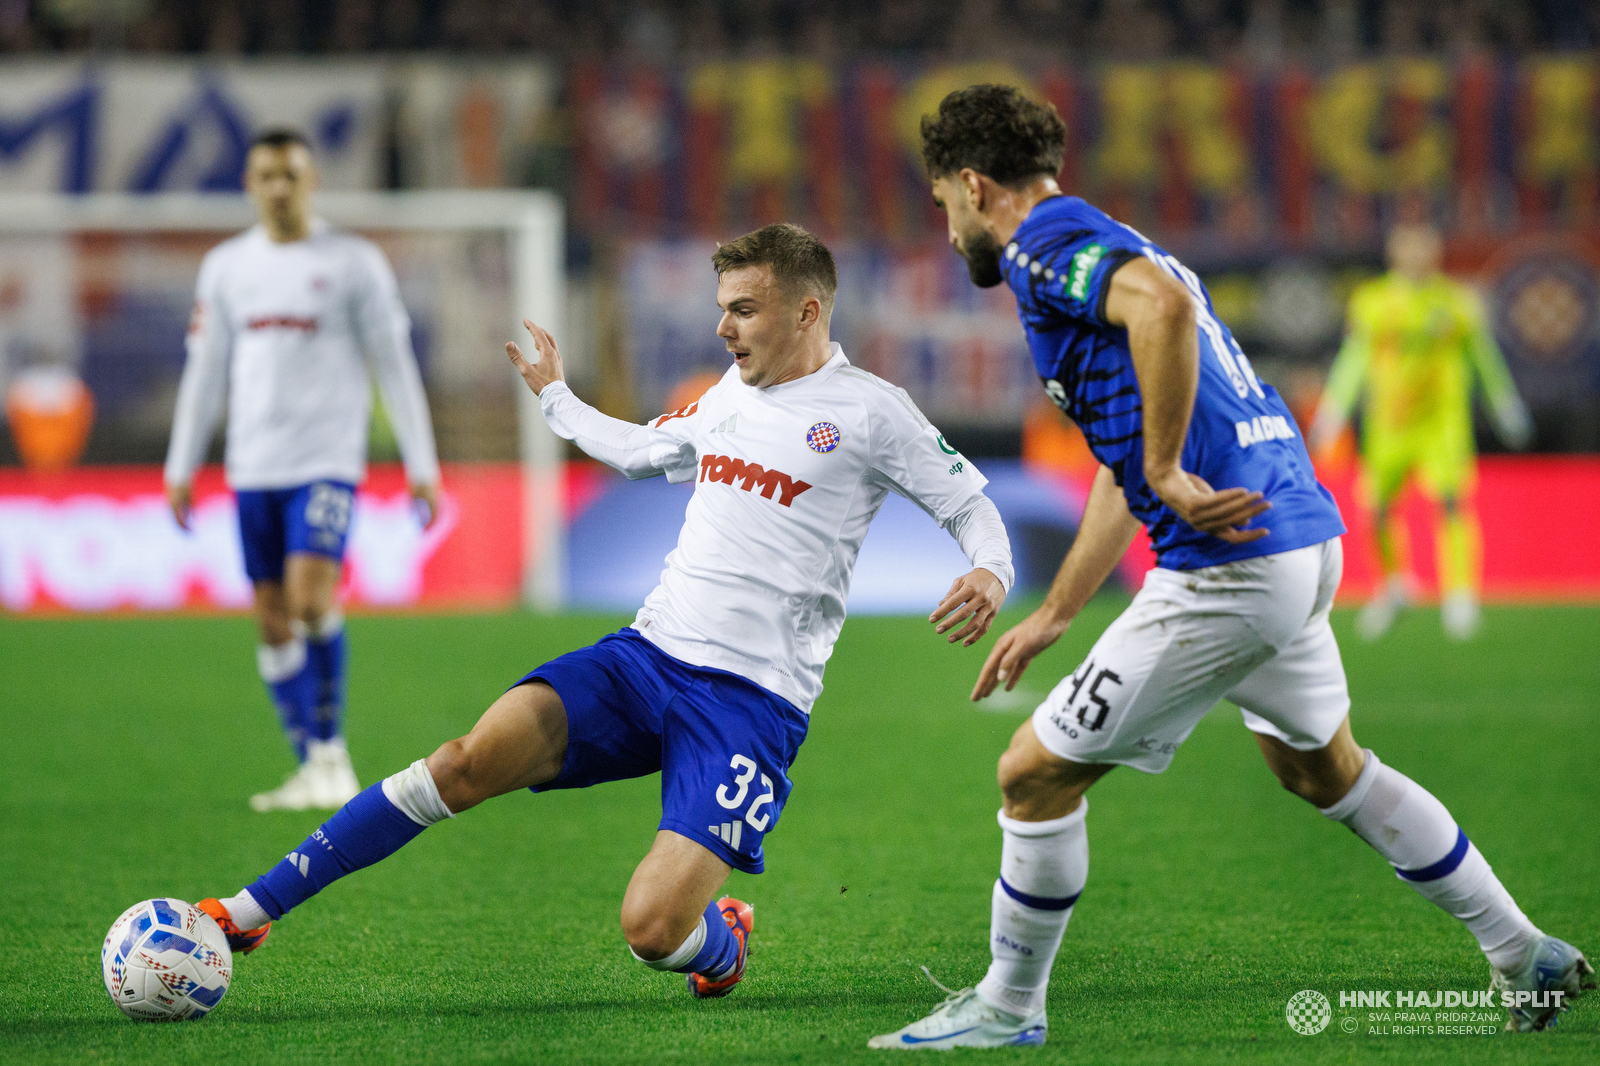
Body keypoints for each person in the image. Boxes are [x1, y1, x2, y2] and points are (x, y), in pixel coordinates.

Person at [867, 85, 1590, 1050]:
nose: (950, 229)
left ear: (972, 184)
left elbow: (1159, 329)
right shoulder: (1108, 241)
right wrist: (1057, 613)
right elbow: (1126, 469)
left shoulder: (1042, 244)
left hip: (1229, 568)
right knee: (1321, 768)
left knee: (1032, 776)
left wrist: (1166, 466)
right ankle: (1523, 951)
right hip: (1297, 538)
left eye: (944, 206)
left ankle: (1007, 1006)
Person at [192, 223, 1015, 1001]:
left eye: (743, 309)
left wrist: (991, 570)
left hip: (751, 703)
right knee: (462, 761)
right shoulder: (728, 393)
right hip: (645, 657)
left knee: (653, 930)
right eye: (721, 306)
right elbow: (641, 449)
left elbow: (971, 506)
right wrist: (557, 398)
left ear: (807, 311)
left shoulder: (872, 412)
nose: (723, 327)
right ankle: (244, 913)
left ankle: (721, 945)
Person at [164, 128, 442, 812]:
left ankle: (333, 756)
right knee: (270, 620)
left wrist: (421, 461)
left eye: (292, 174)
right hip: (252, 464)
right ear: (249, 185)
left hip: (325, 462)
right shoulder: (227, 266)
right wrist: (180, 462)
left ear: (312, 181)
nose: (280, 187)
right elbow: (205, 371)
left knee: (311, 598)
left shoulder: (353, 262)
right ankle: (314, 762)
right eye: (267, 175)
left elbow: (395, 364)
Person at [1310, 222, 1532, 641]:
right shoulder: (1373, 302)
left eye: (1424, 252)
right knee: (1374, 510)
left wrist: (1504, 402)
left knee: (1451, 503)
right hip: (1389, 423)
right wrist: (1333, 408)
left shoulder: (1456, 302)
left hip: (1441, 424)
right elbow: (1355, 357)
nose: (1417, 260)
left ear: (1435, 256)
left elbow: (1482, 356)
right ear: (1395, 257)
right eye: (1408, 252)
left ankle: (1460, 595)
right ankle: (1394, 586)